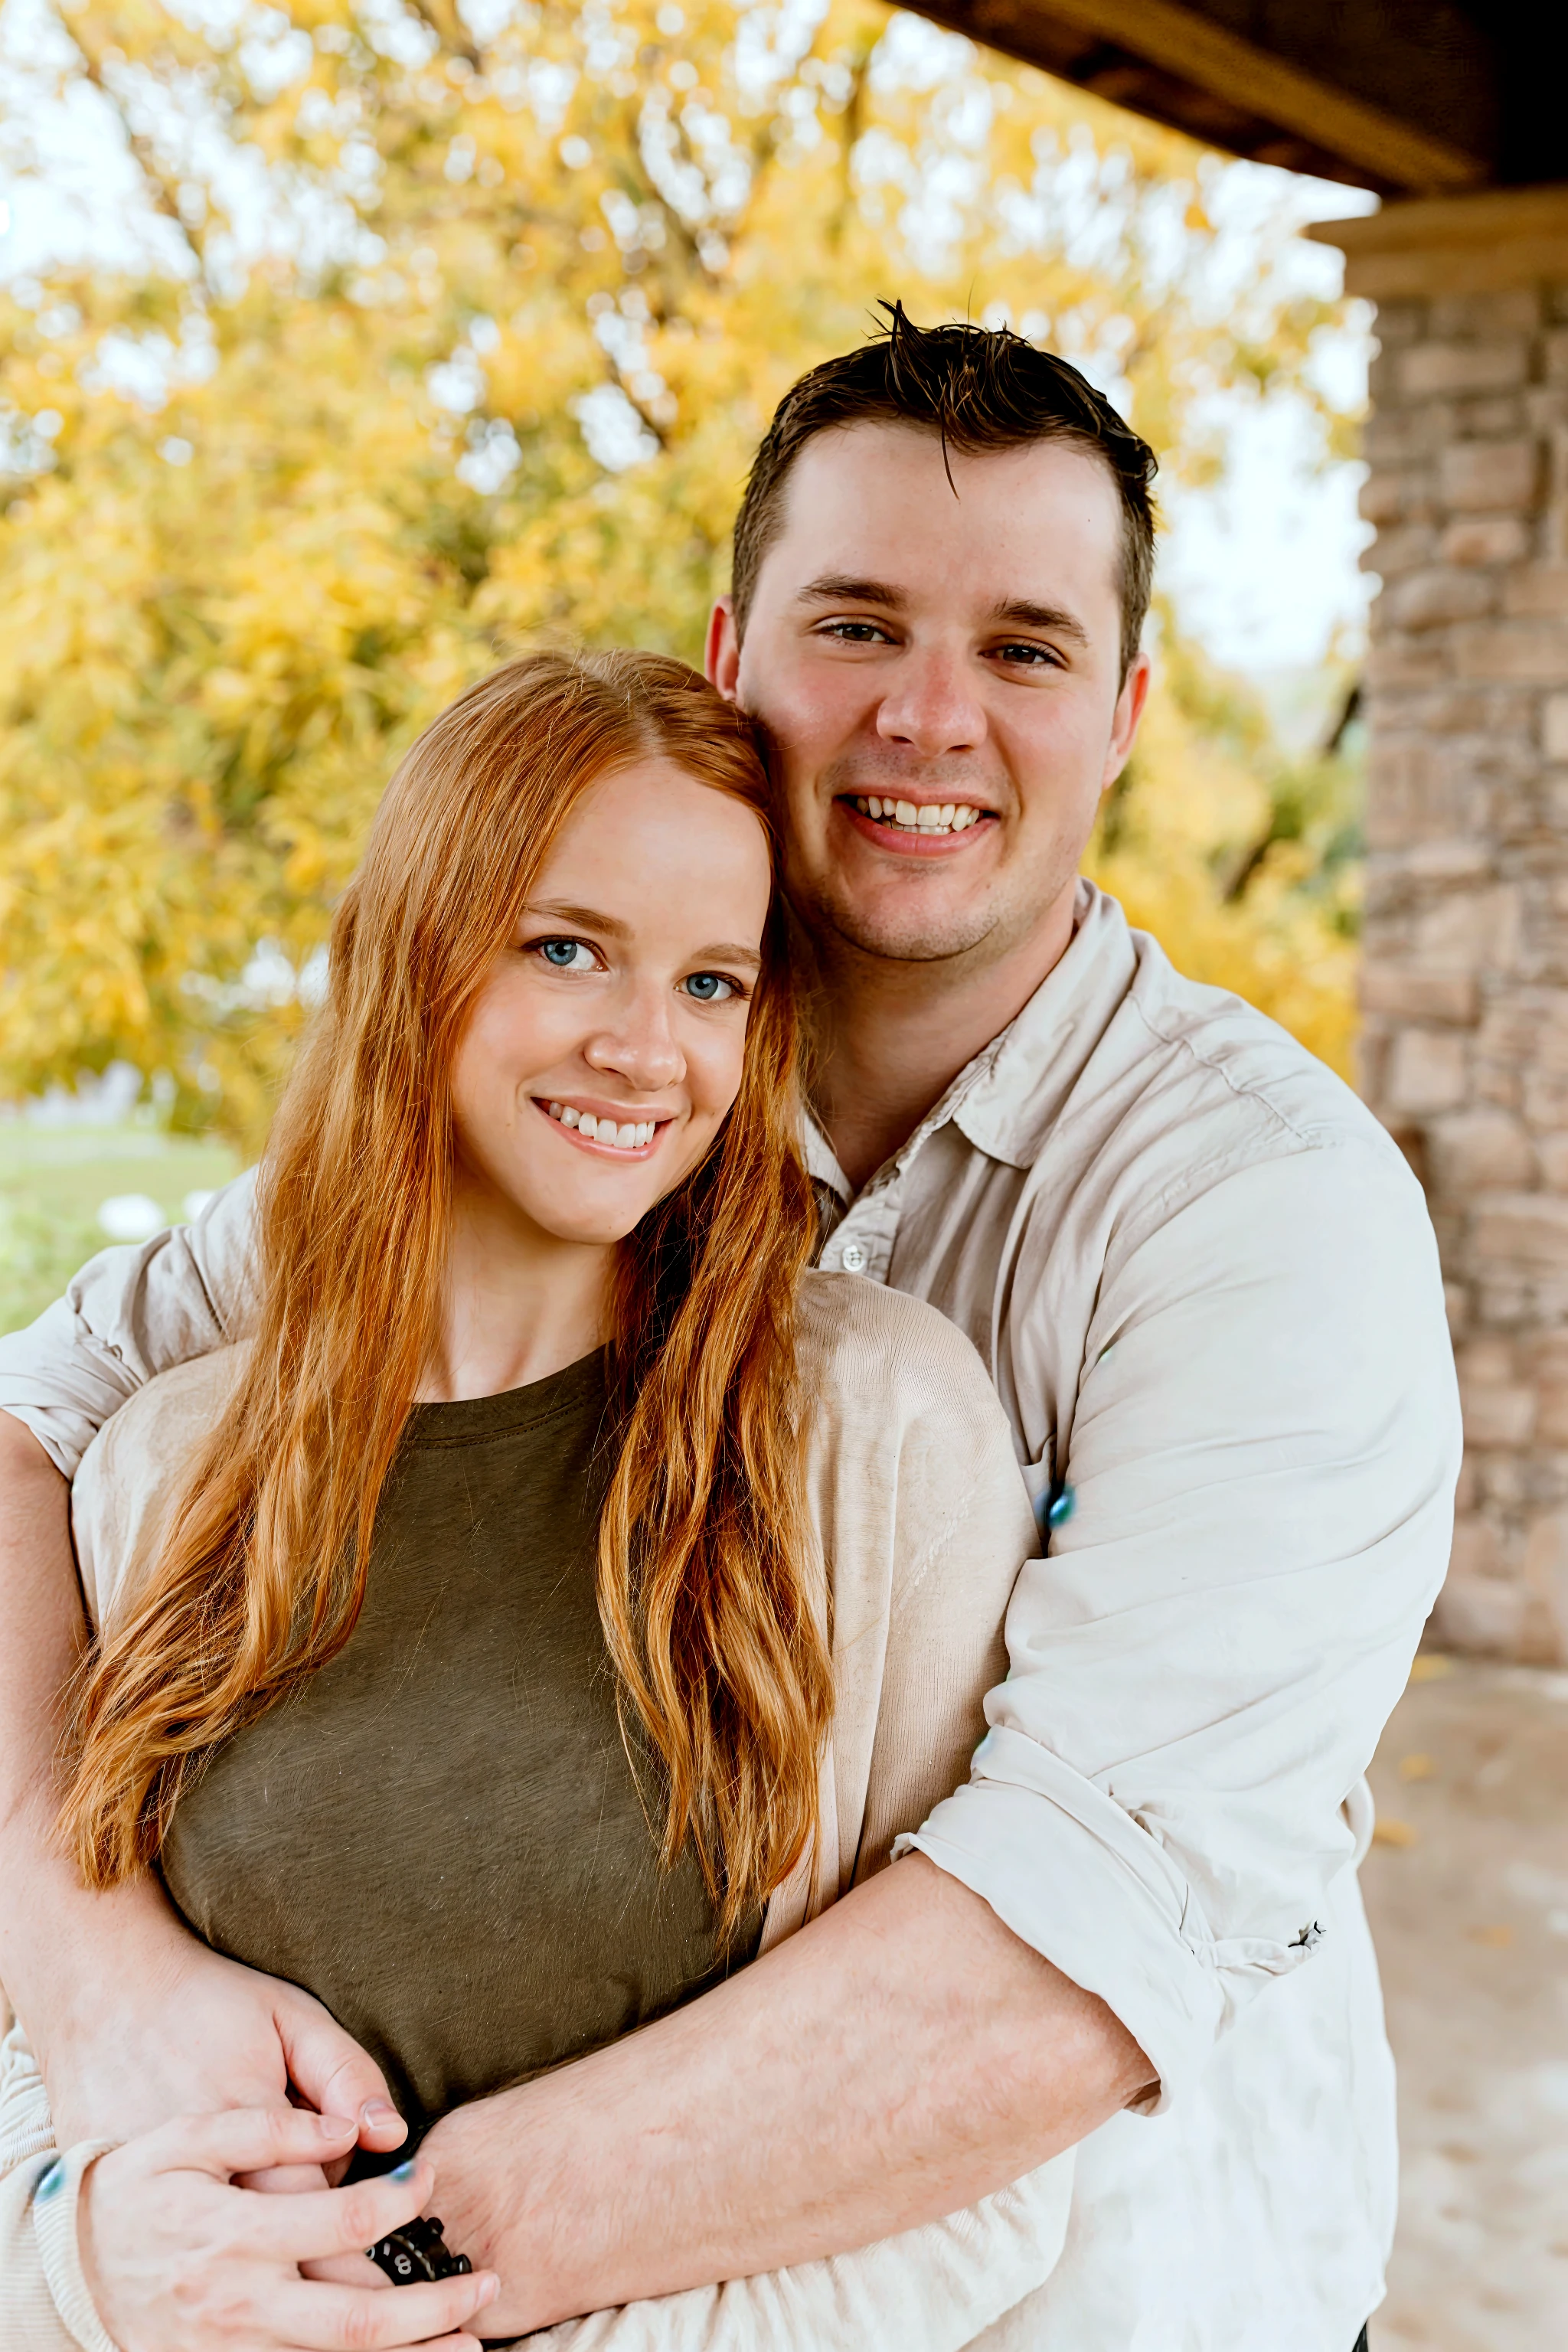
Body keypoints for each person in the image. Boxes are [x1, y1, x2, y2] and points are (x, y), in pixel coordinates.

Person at [0, 311, 1461, 2348]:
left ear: (1125, 711)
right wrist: (93, 1974)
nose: (929, 717)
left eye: (1024, 650)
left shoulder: (1260, 1217)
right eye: (857, 625)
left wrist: (374, 2277)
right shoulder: (559, 1115)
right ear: (730, 659)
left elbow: (1060, 1955)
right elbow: (30, 1434)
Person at [1, 646, 1097, 2352]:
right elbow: (49, 2056)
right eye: (567, 949)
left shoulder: (870, 1435)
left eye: (713, 984)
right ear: (417, 955)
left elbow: (972, 2177)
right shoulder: (165, 1467)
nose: (644, 1050)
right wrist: (84, 2268)